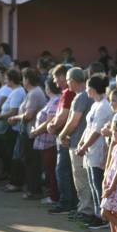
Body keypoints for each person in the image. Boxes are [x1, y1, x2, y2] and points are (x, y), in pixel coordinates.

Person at [76, 75, 113, 228]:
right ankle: (98, 212)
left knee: (98, 183)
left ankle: (103, 216)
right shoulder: (94, 105)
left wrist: (84, 146)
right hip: (90, 149)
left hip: (98, 148)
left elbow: (97, 130)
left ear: (91, 89)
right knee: (92, 183)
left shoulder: (104, 105)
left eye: (87, 87)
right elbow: (88, 127)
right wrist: (81, 142)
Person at [58, 67, 94, 222]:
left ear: (72, 81)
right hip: (86, 142)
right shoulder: (89, 95)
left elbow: (74, 121)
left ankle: (85, 210)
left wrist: (62, 134)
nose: (67, 83)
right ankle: (83, 208)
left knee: (81, 178)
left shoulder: (80, 97)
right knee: (85, 178)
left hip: (78, 142)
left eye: (67, 80)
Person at [8, 68, 47, 199]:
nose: (23, 81)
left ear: (28, 80)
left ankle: (34, 190)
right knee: (29, 161)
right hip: (28, 131)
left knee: (32, 162)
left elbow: (29, 115)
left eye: (24, 78)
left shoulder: (34, 93)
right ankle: (31, 187)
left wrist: (15, 118)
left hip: (31, 132)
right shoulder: (32, 92)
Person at [47, 64, 77, 214]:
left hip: (65, 136)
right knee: (65, 170)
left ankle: (66, 203)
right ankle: (69, 202)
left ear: (62, 76)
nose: (55, 81)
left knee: (62, 170)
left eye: (55, 77)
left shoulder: (68, 93)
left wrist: (53, 125)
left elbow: (64, 115)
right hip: (64, 135)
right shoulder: (66, 92)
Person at [30, 78, 61, 205]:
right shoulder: (52, 100)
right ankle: (52, 194)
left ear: (49, 88)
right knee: (49, 170)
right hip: (44, 141)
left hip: (49, 141)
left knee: (51, 170)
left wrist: (36, 131)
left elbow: (50, 121)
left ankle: (54, 196)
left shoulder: (56, 101)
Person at [0, 69, 25, 189]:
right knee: (10, 153)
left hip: (13, 127)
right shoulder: (14, 91)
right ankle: (11, 177)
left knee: (13, 154)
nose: (5, 80)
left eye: (7, 78)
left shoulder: (18, 92)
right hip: (10, 126)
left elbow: (13, 111)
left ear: (12, 80)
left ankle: (15, 181)